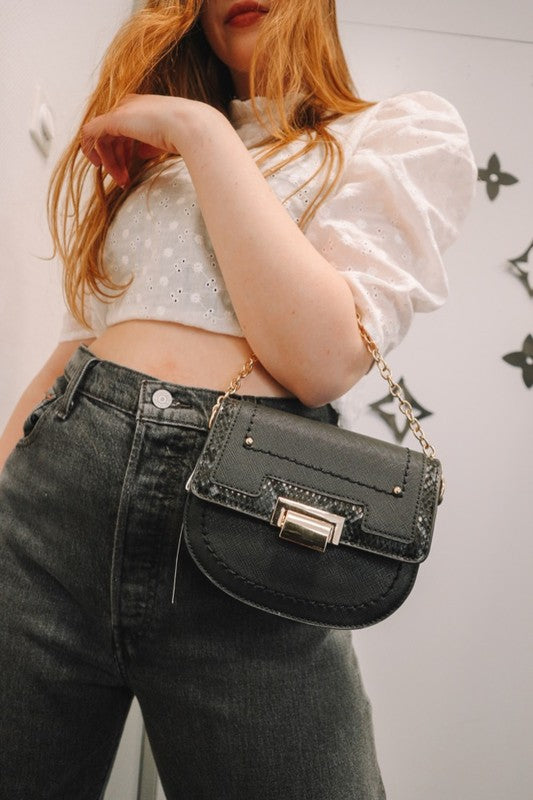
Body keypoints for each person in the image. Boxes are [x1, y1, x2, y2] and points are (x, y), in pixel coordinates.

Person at [0, 1, 477, 798]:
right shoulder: (148, 168)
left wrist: (199, 131)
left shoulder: (395, 133)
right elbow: (75, 348)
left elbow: (321, 360)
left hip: (258, 520)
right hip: (48, 511)